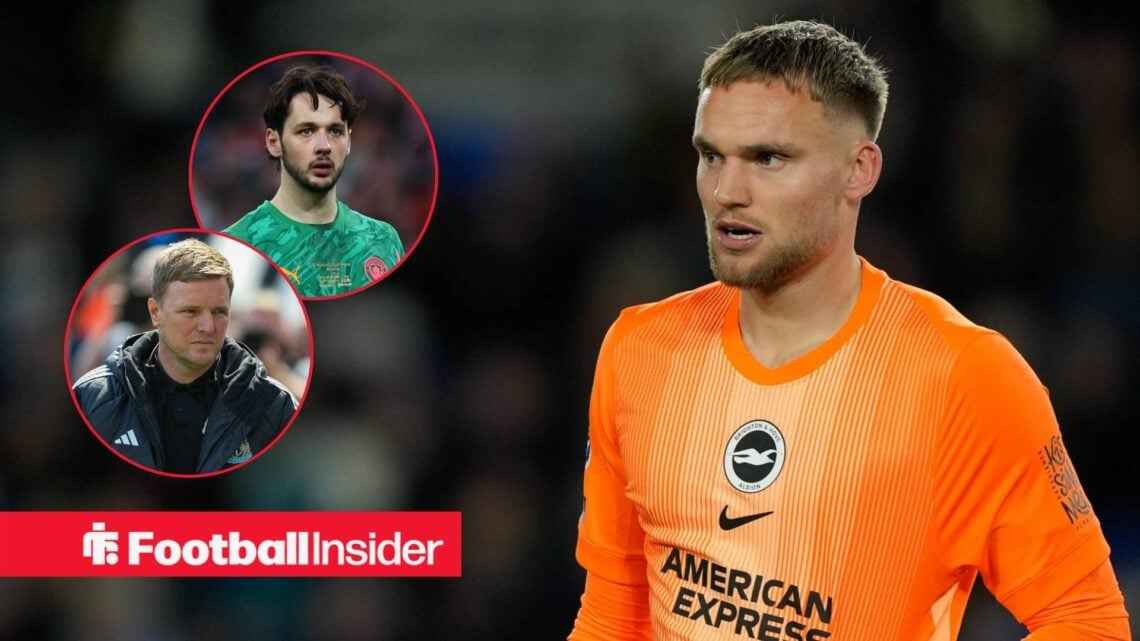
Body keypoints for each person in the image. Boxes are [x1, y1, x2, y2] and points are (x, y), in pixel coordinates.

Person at [569, 20, 1130, 640]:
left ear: (858, 171)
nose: (727, 191)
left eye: (768, 158)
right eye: (711, 156)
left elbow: (1087, 621)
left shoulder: (962, 375)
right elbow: (611, 614)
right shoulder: (640, 349)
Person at [72, 238, 298, 475]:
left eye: (219, 311)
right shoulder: (99, 388)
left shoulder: (273, 400)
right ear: (155, 311)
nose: (207, 326)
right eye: (190, 311)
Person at [223, 62, 405, 298]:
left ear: (349, 142)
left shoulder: (383, 240)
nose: (324, 146)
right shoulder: (237, 246)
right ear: (274, 142)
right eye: (306, 131)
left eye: (335, 131)